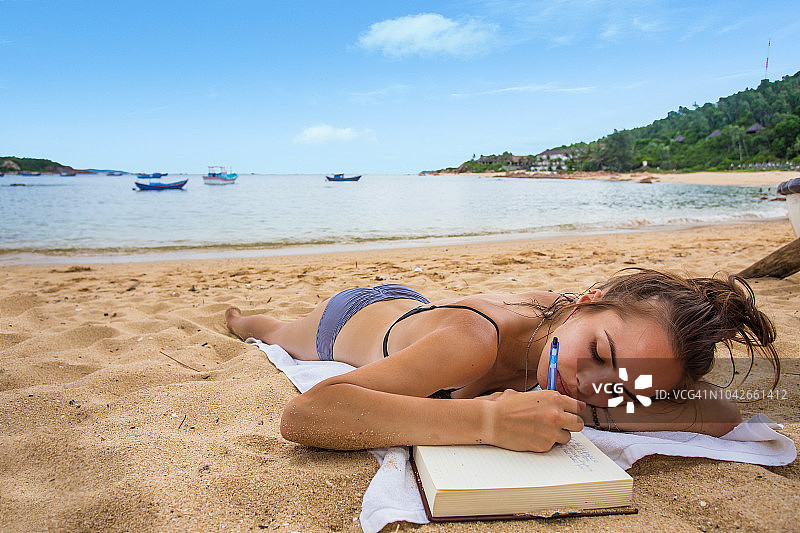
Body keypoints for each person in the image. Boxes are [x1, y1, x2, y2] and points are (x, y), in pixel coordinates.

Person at [225, 268, 779, 452]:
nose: (591, 383)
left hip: (421, 311)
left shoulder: (581, 337)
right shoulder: (474, 341)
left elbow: (719, 412)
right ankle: (235, 316)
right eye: (599, 355)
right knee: (268, 331)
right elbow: (305, 415)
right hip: (349, 318)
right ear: (586, 301)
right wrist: (488, 421)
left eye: (624, 383)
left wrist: (646, 395)